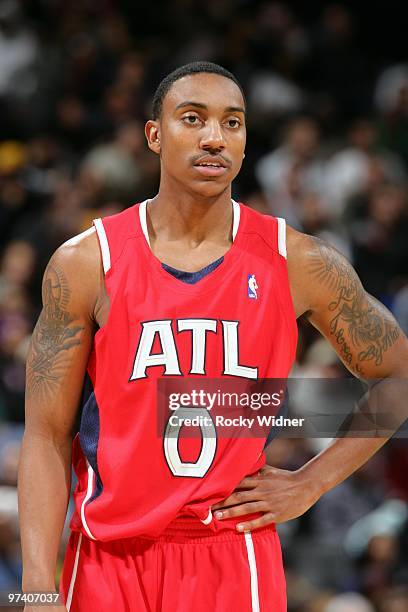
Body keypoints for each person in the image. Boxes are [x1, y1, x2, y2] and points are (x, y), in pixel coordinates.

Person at [18, 62, 408, 612]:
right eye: (193, 118)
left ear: (246, 142)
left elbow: (398, 376)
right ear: (154, 135)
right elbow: (45, 436)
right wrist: (35, 583)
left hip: (231, 552)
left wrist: (311, 483)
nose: (214, 138)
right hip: (107, 556)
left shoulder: (298, 261)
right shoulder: (86, 263)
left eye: (232, 123)